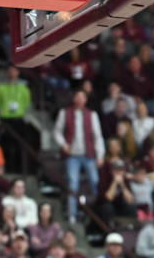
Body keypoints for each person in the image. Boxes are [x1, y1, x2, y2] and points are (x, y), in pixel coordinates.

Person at [53, 90, 105, 224]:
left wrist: (100, 155)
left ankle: (95, 211)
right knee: (73, 183)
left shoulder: (91, 115)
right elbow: (57, 132)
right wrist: (63, 144)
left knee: (95, 180)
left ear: (86, 100)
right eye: (78, 96)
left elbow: (97, 136)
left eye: (83, 97)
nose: (80, 99)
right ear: (74, 98)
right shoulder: (65, 113)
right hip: (72, 155)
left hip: (88, 154)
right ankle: (72, 215)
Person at [0, 65, 35, 174]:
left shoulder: (24, 87)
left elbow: (28, 105)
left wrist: (26, 119)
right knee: (5, 146)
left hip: (19, 120)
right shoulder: (0, 87)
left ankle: (19, 170)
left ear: (18, 72)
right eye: (9, 71)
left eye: (14, 71)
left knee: (20, 146)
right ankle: (7, 169)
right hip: (5, 120)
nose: (11, 73)